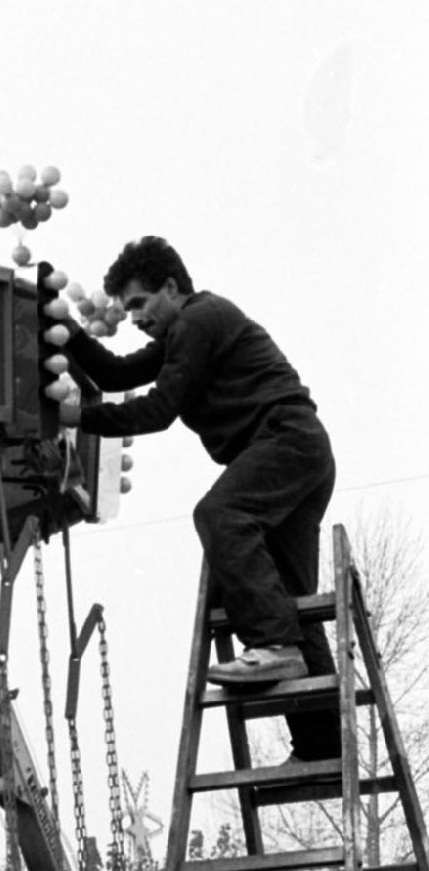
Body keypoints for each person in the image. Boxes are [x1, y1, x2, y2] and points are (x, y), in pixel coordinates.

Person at [59, 235, 339, 763]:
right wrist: (68, 331)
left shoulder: (198, 319)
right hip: (297, 452)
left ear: (172, 288)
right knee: (290, 599)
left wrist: (77, 419)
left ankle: (274, 647)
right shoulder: (183, 332)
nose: (135, 317)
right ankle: (323, 752)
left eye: (140, 304)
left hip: (284, 440)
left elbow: (158, 410)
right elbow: (117, 373)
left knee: (220, 514)